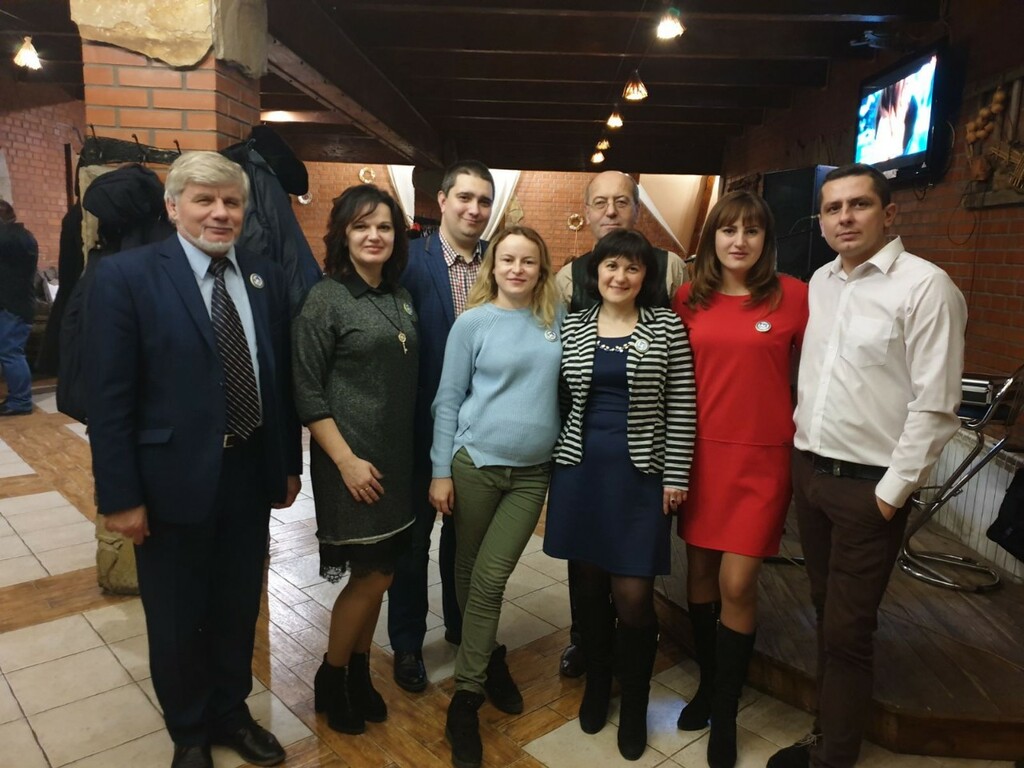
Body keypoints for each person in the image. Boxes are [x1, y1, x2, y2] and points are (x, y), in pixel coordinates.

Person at [85, 151, 302, 768]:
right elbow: (110, 398)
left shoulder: (262, 276)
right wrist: (120, 496)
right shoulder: (126, 277)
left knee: (237, 605)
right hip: (169, 481)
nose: (220, 213)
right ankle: (189, 731)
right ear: (173, 206)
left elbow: (276, 379)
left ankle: (231, 713)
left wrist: (287, 465)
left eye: (232, 201)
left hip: (248, 470)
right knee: (178, 615)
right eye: (204, 200)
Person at [767, 164, 966, 768]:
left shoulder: (926, 287)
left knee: (848, 631)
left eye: (859, 205)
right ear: (821, 220)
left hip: (868, 489)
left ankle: (835, 756)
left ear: (890, 213)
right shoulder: (822, 281)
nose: (845, 218)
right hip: (812, 474)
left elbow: (936, 406)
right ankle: (824, 732)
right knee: (826, 613)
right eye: (833, 208)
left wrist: (890, 493)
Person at [545, 229, 696, 761]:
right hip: (580, 471)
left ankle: (635, 703)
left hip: (640, 478)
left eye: (632, 267)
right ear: (596, 272)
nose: (620, 276)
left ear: (645, 275)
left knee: (633, 598)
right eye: (611, 266)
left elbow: (682, 402)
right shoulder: (573, 325)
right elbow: (555, 396)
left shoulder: (666, 326)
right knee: (588, 592)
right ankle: (596, 684)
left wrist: (676, 475)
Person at [672, 191, 808, 768]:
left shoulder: (795, 296)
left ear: (766, 240)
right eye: (729, 230)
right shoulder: (688, 298)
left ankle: (725, 712)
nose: (739, 241)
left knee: (737, 581)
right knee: (701, 573)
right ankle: (709, 685)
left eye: (752, 231)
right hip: (700, 455)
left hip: (763, 459)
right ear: (712, 239)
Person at [430, 225, 563, 768]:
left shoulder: (557, 320)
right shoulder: (473, 323)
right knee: (468, 573)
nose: (517, 269)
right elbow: (447, 399)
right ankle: (486, 665)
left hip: (532, 475)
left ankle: (465, 693)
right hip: (475, 465)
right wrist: (441, 471)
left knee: (488, 578)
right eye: (507, 259)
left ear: (541, 268)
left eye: (528, 261)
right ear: (493, 266)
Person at [292, 185, 417, 735]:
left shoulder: (399, 296)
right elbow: (307, 391)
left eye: (384, 226)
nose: (374, 236)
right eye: (362, 226)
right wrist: (345, 461)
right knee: (369, 576)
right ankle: (332, 676)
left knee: (382, 576)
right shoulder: (325, 299)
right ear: (343, 233)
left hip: (395, 464)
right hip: (351, 464)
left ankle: (359, 675)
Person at [554, 169, 689, 678]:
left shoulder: (670, 268)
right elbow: (556, 372)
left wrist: (676, 466)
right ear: (586, 211)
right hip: (586, 450)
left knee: (633, 577)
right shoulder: (568, 277)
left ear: (637, 208)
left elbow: (683, 372)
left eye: (621, 202)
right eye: (600, 202)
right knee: (585, 567)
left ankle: (630, 667)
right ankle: (586, 643)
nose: (610, 211)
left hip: (644, 445)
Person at [388, 160, 494, 692]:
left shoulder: (501, 262)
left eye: (484, 200)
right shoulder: (409, 259)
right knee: (412, 545)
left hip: (480, 433)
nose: (474, 209)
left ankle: (461, 626)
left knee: (466, 540)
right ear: (444, 200)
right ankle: (407, 644)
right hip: (417, 429)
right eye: (465, 198)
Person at [0, 200, 39, 416]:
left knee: (11, 352)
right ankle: (18, 397)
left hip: (14, 306)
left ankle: (21, 401)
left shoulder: (11, 237)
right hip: (15, 304)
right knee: (10, 352)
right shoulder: (20, 236)